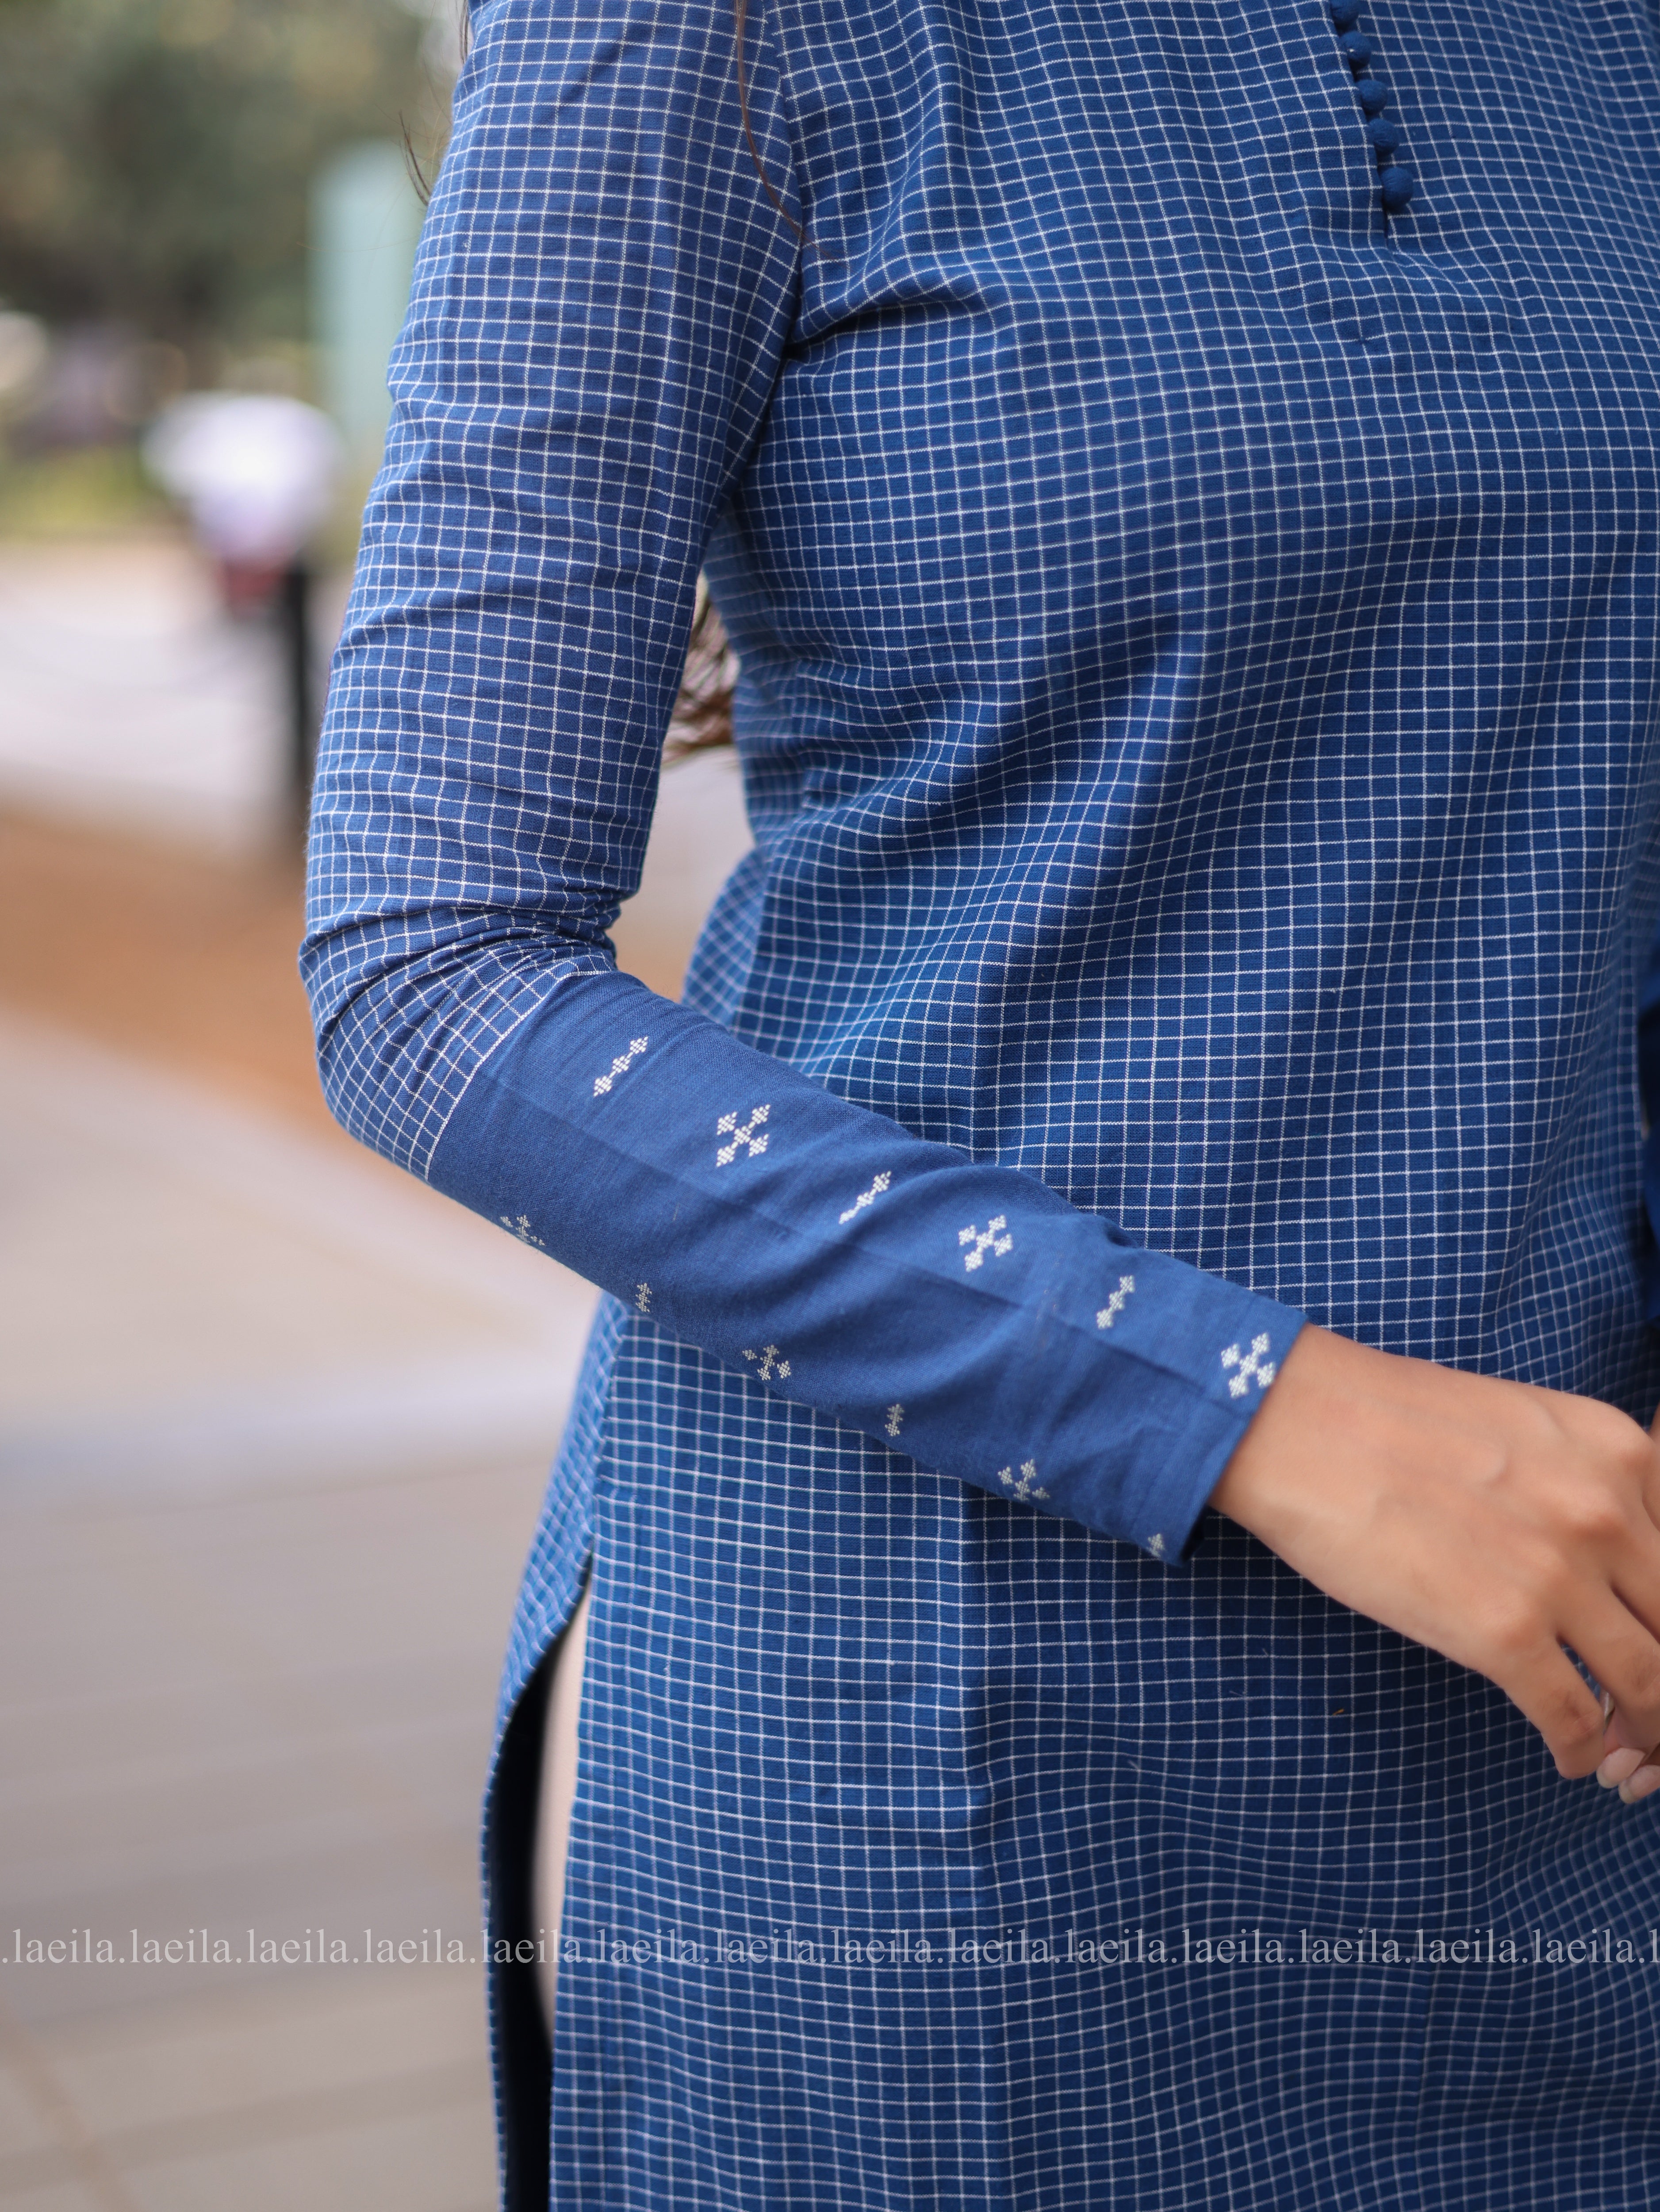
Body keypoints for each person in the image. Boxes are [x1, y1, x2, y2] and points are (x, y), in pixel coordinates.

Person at [301, 0, 1660, 2200]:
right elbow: (428, 967)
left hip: (1571, 1703)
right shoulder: (701, 30)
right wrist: (1255, 1402)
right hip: (941, 1765)